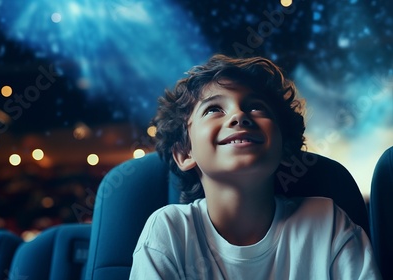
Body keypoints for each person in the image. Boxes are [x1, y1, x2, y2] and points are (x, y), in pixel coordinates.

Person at [129, 55, 381, 279]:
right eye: (214, 109)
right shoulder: (170, 232)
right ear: (185, 153)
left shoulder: (328, 223)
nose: (239, 115)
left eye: (256, 106)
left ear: (285, 148)